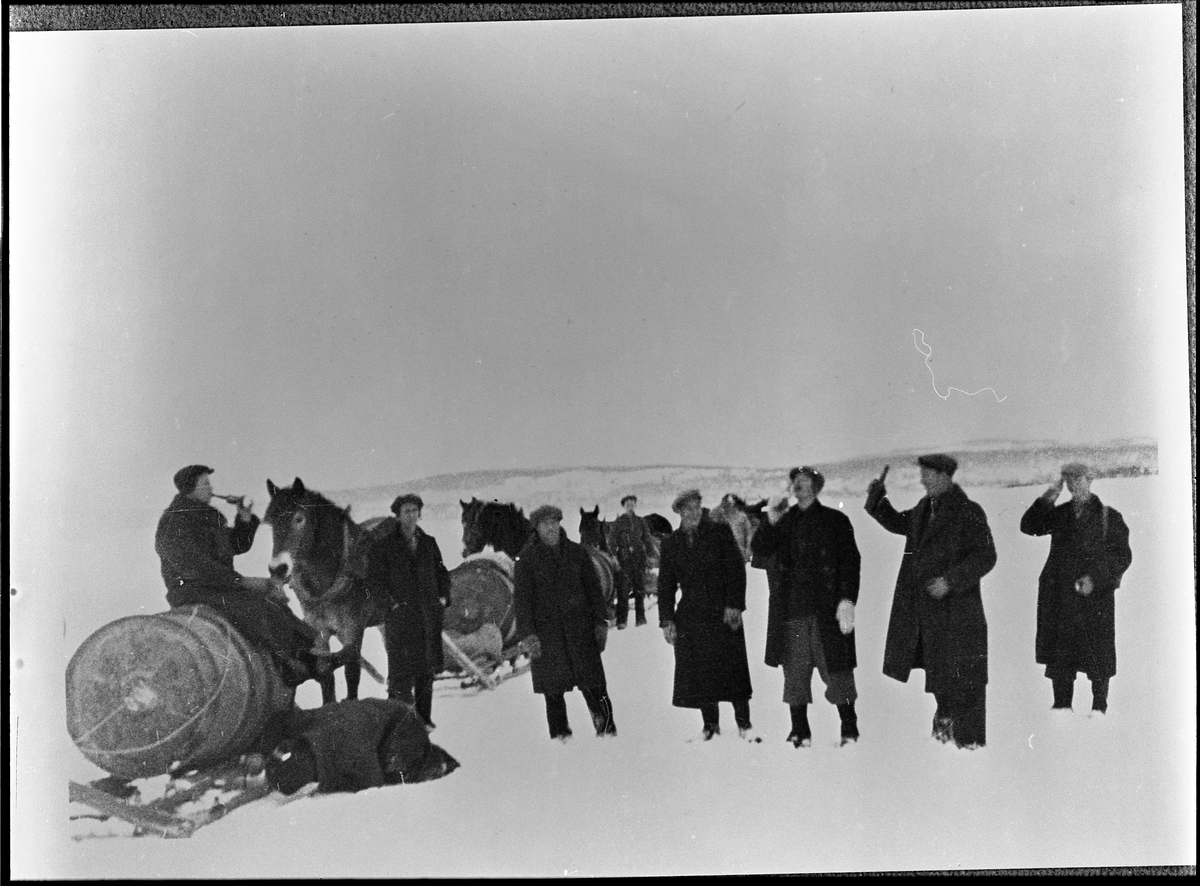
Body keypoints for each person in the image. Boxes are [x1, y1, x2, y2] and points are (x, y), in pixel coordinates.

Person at [155, 464, 342, 686]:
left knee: (274, 601)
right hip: (191, 591)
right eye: (205, 483)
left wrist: (244, 519)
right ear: (190, 489)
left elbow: (235, 545)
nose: (210, 488)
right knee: (255, 608)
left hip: (216, 586)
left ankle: (309, 652)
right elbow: (195, 566)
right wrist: (241, 582)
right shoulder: (174, 522)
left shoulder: (204, 518)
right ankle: (288, 664)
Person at [864, 454, 997, 749]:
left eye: (927, 474)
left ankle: (967, 746)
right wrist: (877, 498)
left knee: (962, 680)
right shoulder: (925, 508)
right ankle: (945, 735)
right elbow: (899, 522)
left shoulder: (968, 512)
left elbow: (986, 556)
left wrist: (951, 581)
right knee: (941, 676)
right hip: (927, 612)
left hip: (957, 614)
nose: (922, 480)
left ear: (944, 476)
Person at [751, 467, 862, 747]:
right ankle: (799, 730)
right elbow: (760, 552)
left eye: (803, 482)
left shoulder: (836, 520)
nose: (797, 486)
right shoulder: (784, 522)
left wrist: (847, 601)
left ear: (816, 487)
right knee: (795, 675)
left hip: (827, 613)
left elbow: (851, 563)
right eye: (794, 482)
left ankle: (849, 728)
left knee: (838, 674)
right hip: (792, 613)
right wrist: (770, 520)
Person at [1019, 462, 1132, 716]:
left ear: (1090, 479)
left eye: (1078, 479)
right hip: (1061, 598)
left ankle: (1099, 709)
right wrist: (1050, 494)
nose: (1073, 484)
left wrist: (1095, 579)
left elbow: (1122, 556)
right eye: (1068, 480)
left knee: (1098, 657)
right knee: (1061, 658)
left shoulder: (1108, 516)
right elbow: (1028, 526)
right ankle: (1061, 709)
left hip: (1095, 601)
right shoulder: (1060, 514)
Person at [658, 489, 757, 742]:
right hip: (691, 616)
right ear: (679, 512)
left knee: (733, 669)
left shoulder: (719, 533)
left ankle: (743, 722)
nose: (692, 513)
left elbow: (736, 571)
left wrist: (734, 605)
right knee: (701, 674)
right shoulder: (671, 543)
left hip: (723, 613)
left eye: (696, 507)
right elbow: (666, 585)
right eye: (686, 509)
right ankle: (710, 725)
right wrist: (667, 620)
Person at [514, 505, 617, 741]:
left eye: (554, 522)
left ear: (560, 524)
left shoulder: (578, 553)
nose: (550, 528)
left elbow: (594, 591)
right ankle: (561, 738)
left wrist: (601, 623)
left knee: (595, 685)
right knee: (553, 692)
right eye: (545, 524)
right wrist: (528, 635)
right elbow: (522, 602)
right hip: (547, 636)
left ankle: (608, 731)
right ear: (537, 528)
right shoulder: (526, 561)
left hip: (580, 632)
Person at [366, 494, 453, 731]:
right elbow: (374, 582)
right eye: (407, 511)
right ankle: (401, 721)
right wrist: (390, 606)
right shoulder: (384, 546)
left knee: (426, 672)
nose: (411, 515)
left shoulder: (429, 543)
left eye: (415, 510)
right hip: (400, 619)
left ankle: (424, 719)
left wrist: (444, 596)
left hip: (427, 616)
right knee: (400, 673)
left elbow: (442, 573)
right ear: (397, 515)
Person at [608, 494, 653, 628]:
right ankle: (622, 621)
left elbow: (647, 538)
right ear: (624, 506)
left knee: (640, 589)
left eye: (632, 504)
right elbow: (611, 541)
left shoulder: (641, 522)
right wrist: (615, 557)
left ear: (635, 505)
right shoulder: (619, 522)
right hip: (624, 560)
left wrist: (650, 555)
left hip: (639, 559)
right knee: (623, 591)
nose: (630, 507)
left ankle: (641, 619)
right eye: (628, 505)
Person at [710, 493, 754, 563]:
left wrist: (748, 549)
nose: (728, 507)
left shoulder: (742, 516)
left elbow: (749, 534)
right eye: (726, 504)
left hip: (739, 552)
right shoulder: (717, 515)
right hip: (721, 553)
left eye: (730, 504)